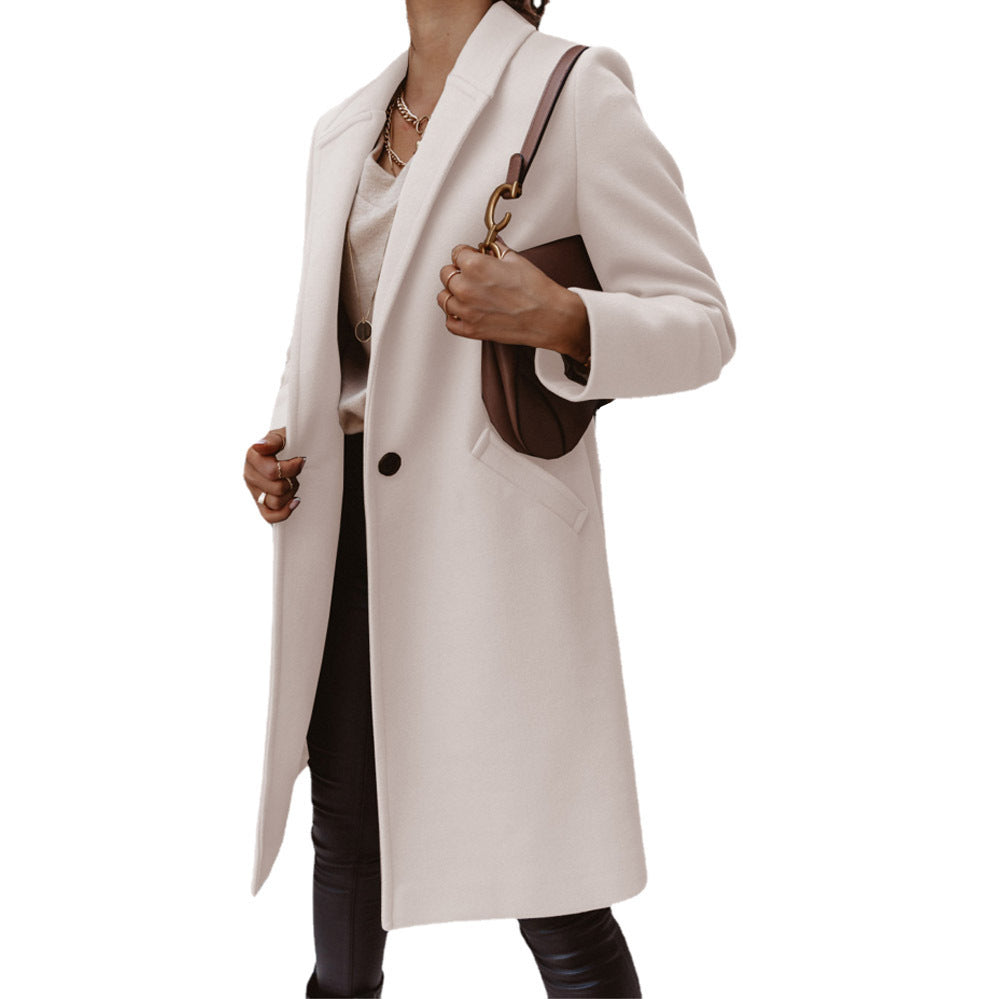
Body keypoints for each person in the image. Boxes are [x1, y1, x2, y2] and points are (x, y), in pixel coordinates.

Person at [242, 1, 736, 995]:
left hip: (489, 547)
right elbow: (331, 340)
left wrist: (561, 316)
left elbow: (702, 327)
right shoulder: (345, 126)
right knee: (346, 836)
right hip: (344, 535)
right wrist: (281, 440)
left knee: (551, 876)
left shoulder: (572, 90)